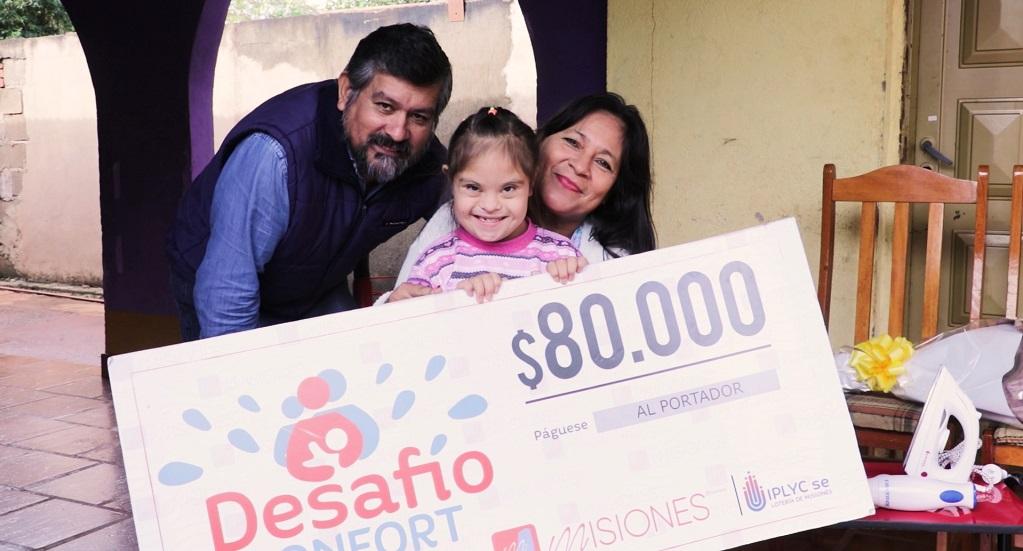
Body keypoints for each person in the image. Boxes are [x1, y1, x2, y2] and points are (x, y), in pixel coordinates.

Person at [166, 23, 452, 340]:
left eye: (419, 117)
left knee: (348, 371)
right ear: (346, 92)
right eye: (384, 106)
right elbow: (227, 291)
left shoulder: (428, 165)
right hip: (220, 276)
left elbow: (487, 221)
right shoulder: (274, 156)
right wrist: (237, 378)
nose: (398, 132)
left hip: (316, 285)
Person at [383, 92, 655, 303]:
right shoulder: (453, 224)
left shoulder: (606, 262)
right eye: (572, 142)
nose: (580, 166)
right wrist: (446, 301)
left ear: (615, 189)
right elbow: (401, 315)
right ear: (541, 143)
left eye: (603, 163)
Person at [392, 106, 586, 303]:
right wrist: (458, 300)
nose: (491, 205)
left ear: (531, 184)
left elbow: (591, 313)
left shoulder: (560, 255)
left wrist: (573, 281)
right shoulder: (436, 261)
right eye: (473, 187)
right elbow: (412, 325)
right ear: (451, 181)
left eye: (508, 188)